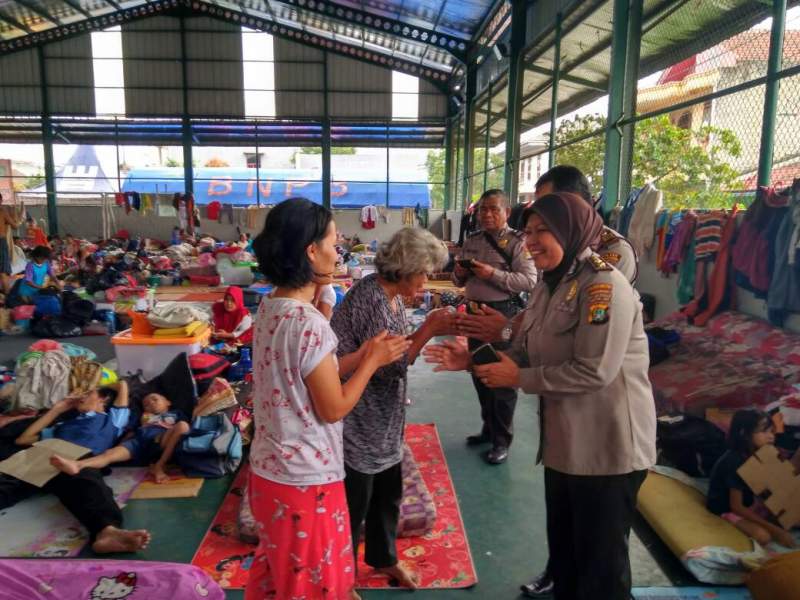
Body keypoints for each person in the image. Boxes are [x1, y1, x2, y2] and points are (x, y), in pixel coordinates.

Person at [426, 192, 657, 600]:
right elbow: (526, 346)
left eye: (542, 231)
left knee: (601, 568)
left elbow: (595, 370)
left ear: (571, 230)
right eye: (528, 231)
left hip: (607, 448)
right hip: (565, 443)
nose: (531, 241)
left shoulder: (603, 286)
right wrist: (474, 359)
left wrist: (519, 377)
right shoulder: (552, 285)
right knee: (566, 556)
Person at [247, 197, 411, 600]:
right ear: (311, 251)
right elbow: (333, 405)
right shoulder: (309, 323)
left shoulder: (271, 307)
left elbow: (307, 375)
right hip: (305, 478)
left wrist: (360, 355)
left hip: (269, 471)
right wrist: (370, 363)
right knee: (313, 582)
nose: (338, 252)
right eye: (334, 243)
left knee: (285, 573)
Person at [330, 228, 451, 589]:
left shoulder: (389, 296)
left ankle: (383, 558)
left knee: (388, 490)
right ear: (406, 268)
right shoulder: (375, 301)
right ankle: (341, 578)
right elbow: (386, 370)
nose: (427, 280)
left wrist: (422, 331)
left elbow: (394, 351)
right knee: (356, 501)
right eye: (424, 272)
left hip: (382, 416)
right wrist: (429, 329)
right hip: (360, 414)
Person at [0, 381, 152, 553]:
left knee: (89, 485)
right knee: (9, 486)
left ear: (103, 399)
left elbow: (123, 384)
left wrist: (96, 383)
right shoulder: (62, 426)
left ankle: (107, 531)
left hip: (78, 460)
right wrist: (57, 409)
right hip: (44, 459)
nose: (80, 397)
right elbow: (23, 440)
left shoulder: (113, 419)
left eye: (87, 394)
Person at [452, 189, 537, 464]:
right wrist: (461, 273)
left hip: (502, 315)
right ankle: (488, 430)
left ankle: (502, 441)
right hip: (474, 313)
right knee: (479, 374)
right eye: (483, 210)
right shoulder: (472, 240)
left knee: (500, 378)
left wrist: (492, 274)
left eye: (494, 209)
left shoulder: (517, 242)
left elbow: (529, 281)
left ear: (507, 213)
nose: (487, 214)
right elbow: (456, 282)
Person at [510, 165, 637, 285]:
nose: (540, 212)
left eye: (549, 205)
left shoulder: (615, 250)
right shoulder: (549, 243)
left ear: (575, 202)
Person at [50, 392, 190, 484]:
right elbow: (130, 431)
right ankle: (78, 465)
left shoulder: (176, 414)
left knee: (183, 426)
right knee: (109, 454)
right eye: (146, 404)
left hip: (160, 439)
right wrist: (126, 437)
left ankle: (159, 466)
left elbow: (187, 427)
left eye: (155, 399)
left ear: (168, 402)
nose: (151, 403)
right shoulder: (141, 417)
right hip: (138, 441)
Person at [706, 410, 795, 548]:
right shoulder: (734, 461)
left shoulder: (760, 453)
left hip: (750, 502)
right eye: (764, 432)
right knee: (763, 536)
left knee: (793, 517)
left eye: (772, 431)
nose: (771, 437)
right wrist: (776, 531)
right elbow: (736, 507)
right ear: (744, 433)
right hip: (726, 509)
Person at [0, 192, 23, 294]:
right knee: (3, 272)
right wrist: (13, 215)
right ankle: (7, 297)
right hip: (1, 242)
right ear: (1, 201)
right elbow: (15, 226)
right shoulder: (2, 212)